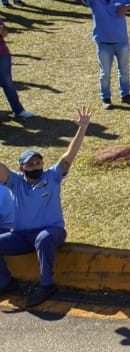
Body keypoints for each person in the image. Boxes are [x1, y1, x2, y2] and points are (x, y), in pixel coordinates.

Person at [0, 108, 92, 307]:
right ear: (21, 168)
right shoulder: (15, 182)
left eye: (38, 162)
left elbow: (69, 155)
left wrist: (82, 129)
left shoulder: (52, 176)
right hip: (22, 236)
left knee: (43, 238)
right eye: (30, 165)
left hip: (52, 232)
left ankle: (46, 285)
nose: (36, 167)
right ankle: (4, 281)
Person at [69, 0, 130, 109]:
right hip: (104, 43)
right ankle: (106, 98)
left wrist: (126, 8)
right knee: (105, 73)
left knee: (124, 71)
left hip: (121, 42)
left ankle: (125, 94)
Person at [0, 17, 32, 120]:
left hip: (2, 55)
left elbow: (5, 33)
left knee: (8, 83)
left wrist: (2, 31)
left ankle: (18, 110)